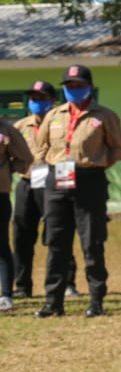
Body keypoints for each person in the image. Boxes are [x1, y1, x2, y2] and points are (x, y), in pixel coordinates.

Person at [31, 64, 121, 318]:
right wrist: (48, 165)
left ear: (89, 87)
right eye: (69, 86)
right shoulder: (54, 116)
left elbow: (118, 148)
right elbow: (40, 147)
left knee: (92, 242)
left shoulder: (105, 116)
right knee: (56, 243)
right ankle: (53, 301)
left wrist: (97, 164)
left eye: (79, 85)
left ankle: (96, 300)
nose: (74, 90)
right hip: (57, 181)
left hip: (89, 181)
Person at [11, 80, 81, 301]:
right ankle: (23, 285)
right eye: (33, 99)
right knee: (22, 235)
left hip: (55, 181)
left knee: (58, 233)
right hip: (27, 183)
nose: (36, 102)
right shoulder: (21, 127)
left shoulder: (63, 123)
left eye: (42, 98)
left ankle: (67, 283)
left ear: (53, 101)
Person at [0, 105, 34, 311]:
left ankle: (5, 295)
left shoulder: (6, 130)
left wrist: (6, 171)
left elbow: (25, 158)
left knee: (1, 245)